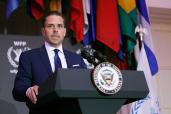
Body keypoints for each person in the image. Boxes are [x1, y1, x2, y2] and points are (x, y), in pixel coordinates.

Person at [12, 11, 86, 114]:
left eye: (59, 26)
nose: (55, 30)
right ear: (43, 31)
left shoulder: (77, 59)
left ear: (64, 31)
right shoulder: (29, 57)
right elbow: (18, 90)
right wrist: (28, 90)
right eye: (50, 26)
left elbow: (85, 88)